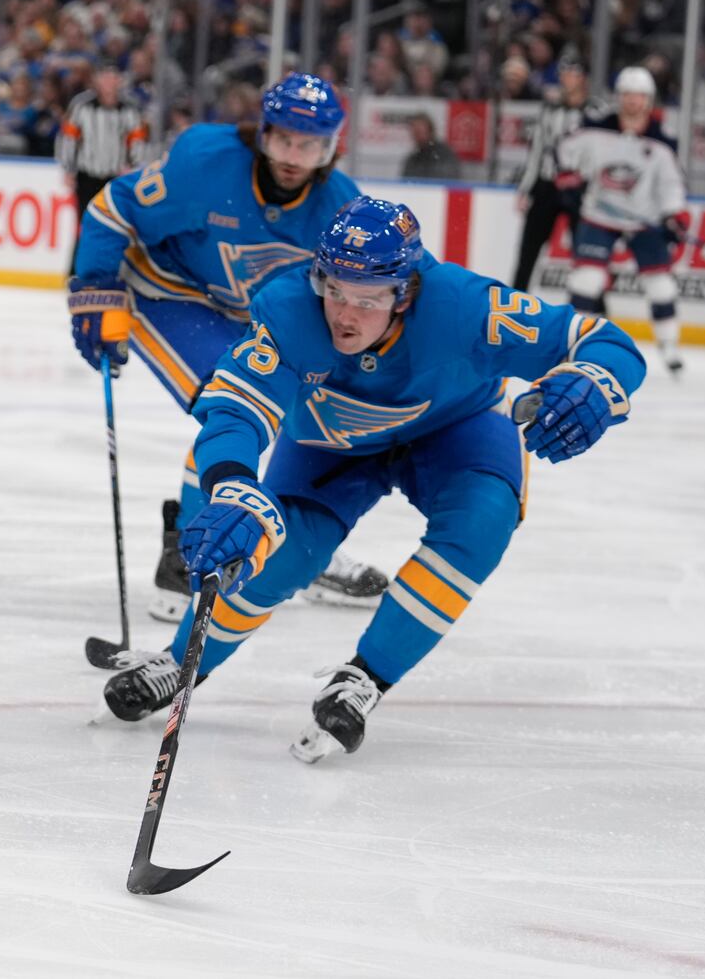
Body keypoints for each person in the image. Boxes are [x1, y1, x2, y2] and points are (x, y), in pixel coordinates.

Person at [98, 197, 647, 765]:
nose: (344, 313)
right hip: (330, 445)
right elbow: (235, 407)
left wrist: (596, 378)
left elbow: (600, 338)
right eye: (334, 289)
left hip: (457, 428)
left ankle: (365, 679)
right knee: (284, 556)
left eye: (367, 299)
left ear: (406, 292)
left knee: (483, 520)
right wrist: (234, 483)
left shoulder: (466, 307)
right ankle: (181, 658)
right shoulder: (288, 309)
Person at [68, 73, 390, 626]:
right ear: (263, 134)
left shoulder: (339, 209)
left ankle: (298, 548)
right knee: (232, 402)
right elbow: (112, 207)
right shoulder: (205, 161)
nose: (295, 155)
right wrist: (95, 288)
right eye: (285, 139)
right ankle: (190, 550)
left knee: (310, 409)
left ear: (331, 148)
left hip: (245, 314)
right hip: (166, 290)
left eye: (310, 145)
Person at [554, 66, 689, 375]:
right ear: (619, 97)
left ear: (649, 100)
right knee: (586, 281)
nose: (633, 102)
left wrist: (674, 213)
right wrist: (567, 175)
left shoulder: (662, 141)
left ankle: (669, 348)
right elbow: (563, 149)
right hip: (599, 215)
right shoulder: (595, 128)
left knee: (661, 286)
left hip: (644, 220)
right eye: (627, 95)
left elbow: (670, 184)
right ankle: (571, 347)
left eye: (639, 96)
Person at [512, 49, 603, 293]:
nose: (567, 78)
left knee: (586, 254)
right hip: (547, 185)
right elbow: (537, 152)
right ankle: (514, 304)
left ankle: (595, 308)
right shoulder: (550, 110)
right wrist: (525, 189)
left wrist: (595, 190)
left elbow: (601, 156)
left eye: (573, 72)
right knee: (528, 251)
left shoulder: (595, 113)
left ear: (583, 77)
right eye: (564, 72)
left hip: (579, 189)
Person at [56, 66, 151, 274]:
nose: (109, 82)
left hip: (115, 178)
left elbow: (139, 141)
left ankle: (112, 271)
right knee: (84, 226)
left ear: (119, 81)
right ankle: (77, 272)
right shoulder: (82, 106)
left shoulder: (130, 109)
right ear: (97, 80)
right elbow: (68, 138)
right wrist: (68, 169)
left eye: (113, 77)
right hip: (86, 174)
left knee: (115, 227)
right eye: (104, 77)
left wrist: (134, 168)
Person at [399, 113, 461, 180]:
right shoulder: (413, 159)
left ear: (430, 130)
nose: (416, 134)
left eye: (420, 130)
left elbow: (448, 179)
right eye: (414, 131)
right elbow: (406, 182)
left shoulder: (444, 154)